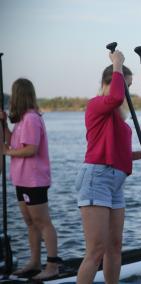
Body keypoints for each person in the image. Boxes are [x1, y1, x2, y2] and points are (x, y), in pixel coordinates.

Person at [75, 50, 141, 283]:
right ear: (110, 82)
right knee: (96, 251)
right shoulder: (96, 105)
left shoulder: (117, 117)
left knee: (115, 247)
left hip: (115, 182)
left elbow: (120, 154)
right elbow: (114, 97)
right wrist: (117, 63)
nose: (127, 93)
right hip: (97, 177)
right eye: (126, 85)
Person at [1, 78, 60, 280]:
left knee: (42, 222)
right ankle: (34, 262)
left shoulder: (32, 119)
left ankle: (52, 265)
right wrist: (3, 124)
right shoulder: (21, 121)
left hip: (34, 180)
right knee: (30, 222)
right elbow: (12, 142)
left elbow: (31, 149)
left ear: (19, 95)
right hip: (21, 179)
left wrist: (7, 152)